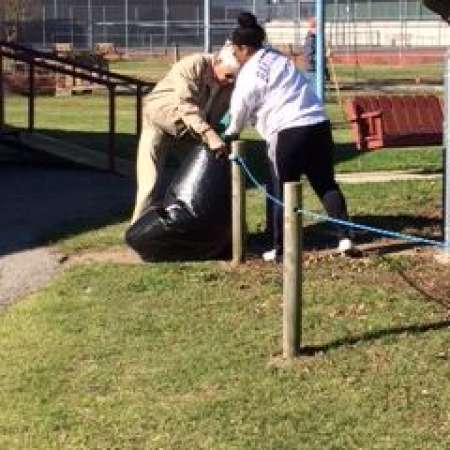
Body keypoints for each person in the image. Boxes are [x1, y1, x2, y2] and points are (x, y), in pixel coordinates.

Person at [225, 12, 356, 262]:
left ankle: (282, 249)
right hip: (318, 123)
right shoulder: (277, 58)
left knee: (281, 190)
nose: (234, 54)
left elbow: (239, 108)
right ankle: (345, 236)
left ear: (243, 48)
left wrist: (232, 132)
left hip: (288, 131)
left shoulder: (249, 73)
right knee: (325, 183)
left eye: (235, 50)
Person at [131, 44, 240, 224]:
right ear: (217, 61)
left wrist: (223, 137)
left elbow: (227, 114)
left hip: (191, 132)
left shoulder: (230, 82)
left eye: (234, 78)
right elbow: (186, 106)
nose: (230, 81)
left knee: (206, 179)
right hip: (159, 122)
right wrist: (210, 134)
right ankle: (136, 232)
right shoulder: (192, 65)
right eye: (228, 76)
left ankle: (210, 229)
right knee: (149, 183)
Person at [303, 17, 329, 94]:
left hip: (316, 68)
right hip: (312, 70)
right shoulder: (311, 39)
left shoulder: (316, 38)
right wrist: (323, 56)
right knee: (314, 94)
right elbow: (309, 56)